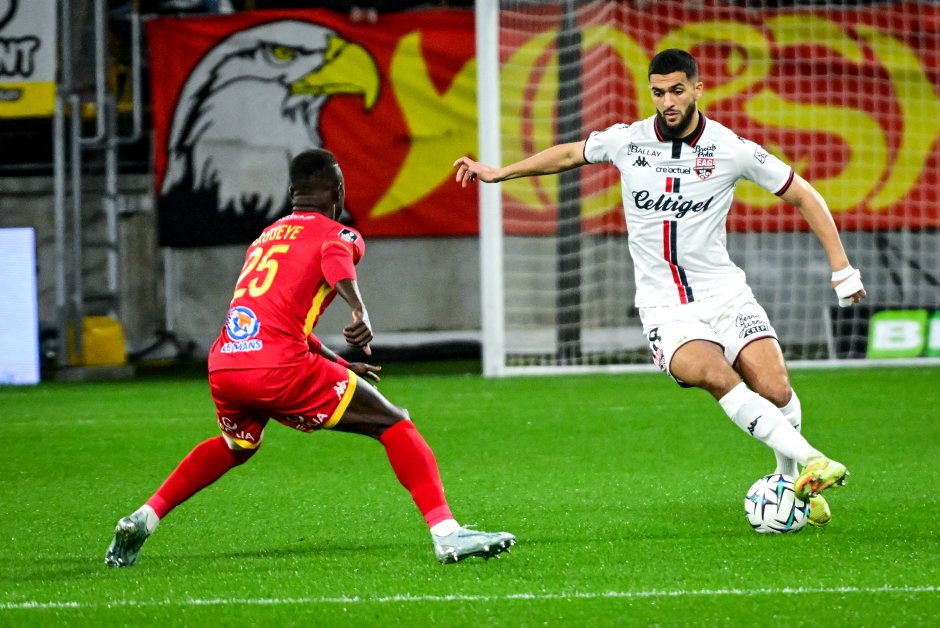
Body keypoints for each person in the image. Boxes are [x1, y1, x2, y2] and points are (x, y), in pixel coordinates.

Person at [453, 49, 866, 527]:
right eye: (658, 92)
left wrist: (842, 269)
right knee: (715, 375)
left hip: (726, 295)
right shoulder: (627, 141)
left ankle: (790, 481)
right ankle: (813, 458)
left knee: (776, 388)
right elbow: (569, 153)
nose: (667, 102)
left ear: (697, 89)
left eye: (676, 91)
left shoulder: (730, 148)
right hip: (664, 308)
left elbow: (804, 195)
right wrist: (500, 172)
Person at [106, 149, 515, 566]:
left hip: (226, 363)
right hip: (278, 368)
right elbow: (336, 260)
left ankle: (144, 518)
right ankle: (447, 533)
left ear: (292, 193)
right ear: (339, 192)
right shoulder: (339, 234)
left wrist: (340, 365)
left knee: (237, 445)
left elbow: (280, 321)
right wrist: (359, 310)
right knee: (394, 423)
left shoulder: (264, 238)